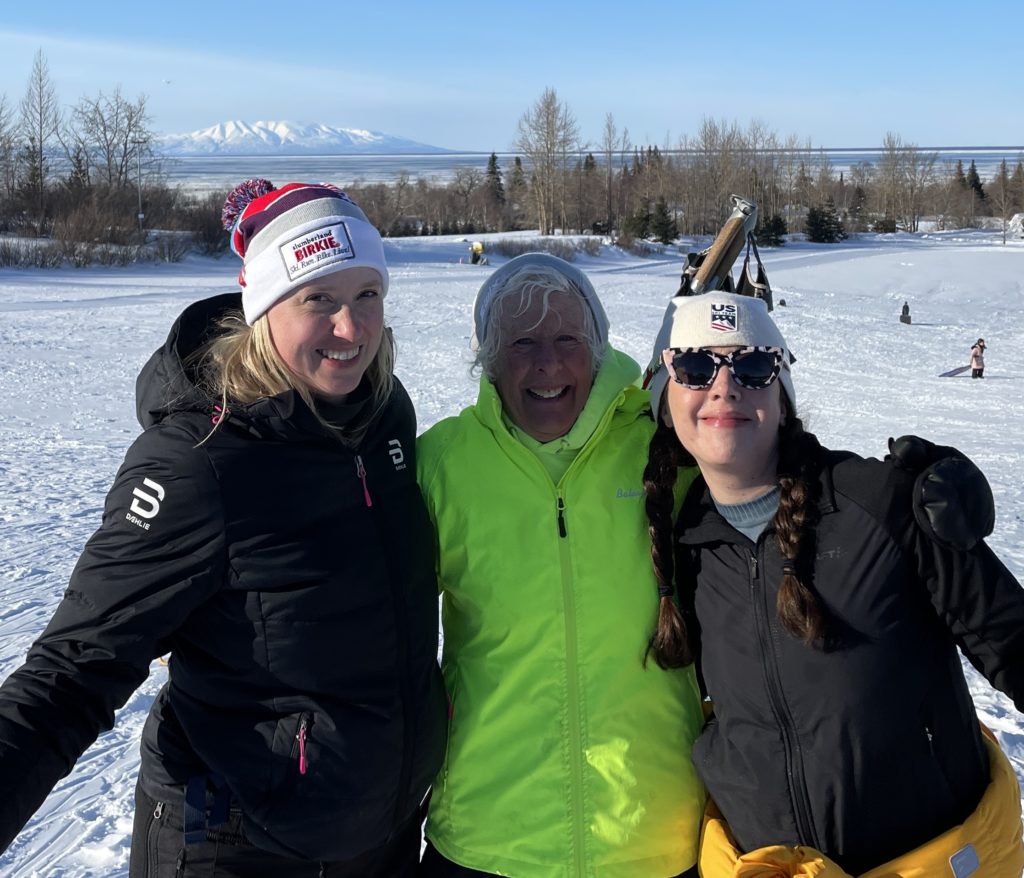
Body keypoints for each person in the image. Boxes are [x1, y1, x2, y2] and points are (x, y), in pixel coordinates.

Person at [0, 180, 446, 877]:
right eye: (318, 299)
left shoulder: (383, 412)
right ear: (264, 306)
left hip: (377, 835)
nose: (352, 328)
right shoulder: (198, 462)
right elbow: (71, 670)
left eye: (368, 295)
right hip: (241, 841)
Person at [642, 290, 1024, 876]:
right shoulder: (682, 540)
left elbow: (1011, 638)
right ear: (665, 399)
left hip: (931, 860)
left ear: (782, 391)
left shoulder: (878, 502)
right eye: (694, 367)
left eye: (752, 364)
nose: (724, 387)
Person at [417, 253, 706, 877]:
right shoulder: (441, 464)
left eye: (566, 339)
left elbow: (774, 479)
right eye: (522, 343)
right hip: (487, 836)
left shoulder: (663, 446)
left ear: (597, 350)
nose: (546, 363)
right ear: (489, 359)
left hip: (654, 833)